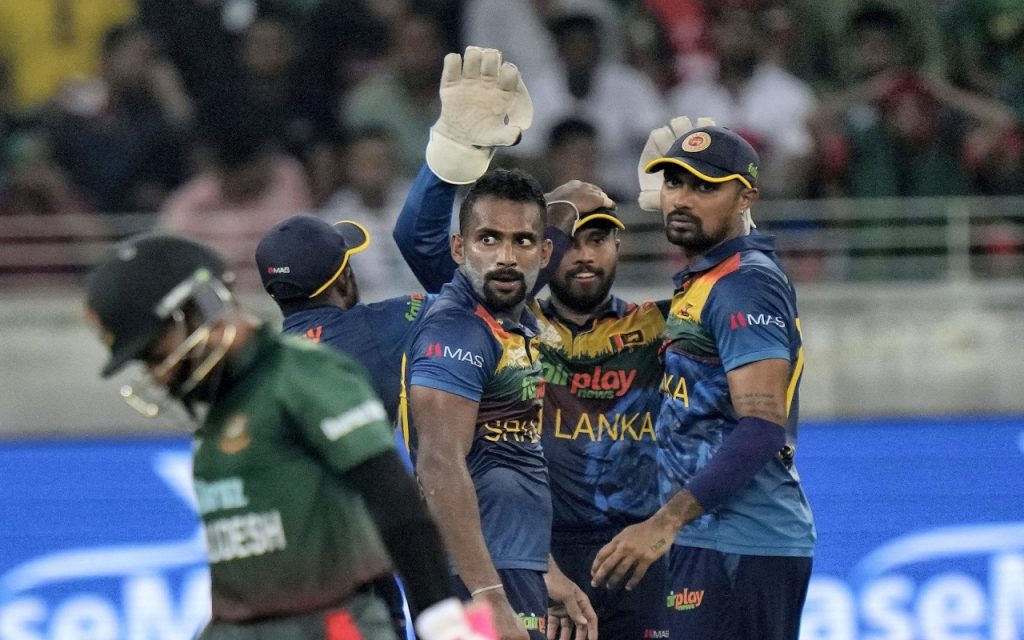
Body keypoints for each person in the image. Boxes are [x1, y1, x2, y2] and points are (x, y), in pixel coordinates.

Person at [83, 231, 502, 640]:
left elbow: (395, 501)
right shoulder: (219, 412)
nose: (156, 374)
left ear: (201, 306)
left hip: (332, 623)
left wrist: (441, 618)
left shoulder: (303, 373)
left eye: (153, 352)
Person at [589, 125, 816, 640]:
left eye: (705, 187)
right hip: (713, 536)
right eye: (674, 183)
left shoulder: (743, 284)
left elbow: (762, 425)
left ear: (746, 198)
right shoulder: (713, 277)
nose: (681, 199)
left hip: (743, 540)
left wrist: (664, 522)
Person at [404, 167, 599, 640]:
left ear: (546, 252)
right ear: (458, 248)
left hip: (508, 567)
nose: (506, 258)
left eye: (523, 241)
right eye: (488, 239)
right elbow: (438, 466)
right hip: (475, 581)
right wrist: (489, 594)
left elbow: (508, 455)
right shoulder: (457, 330)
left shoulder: (506, 324)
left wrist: (543, 567)